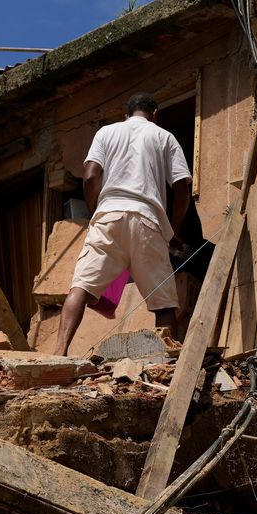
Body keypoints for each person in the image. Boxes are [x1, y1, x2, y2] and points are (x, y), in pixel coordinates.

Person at [54, 92, 192, 355]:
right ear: (155, 113)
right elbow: (181, 187)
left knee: (81, 287)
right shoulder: (164, 137)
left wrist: (97, 211)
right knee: (163, 304)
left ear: (126, 113)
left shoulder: (106, 133)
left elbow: (91, 175)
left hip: (108, 216)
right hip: (147, 219)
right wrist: (173, 229)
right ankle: (167, 365)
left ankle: (59, 354)